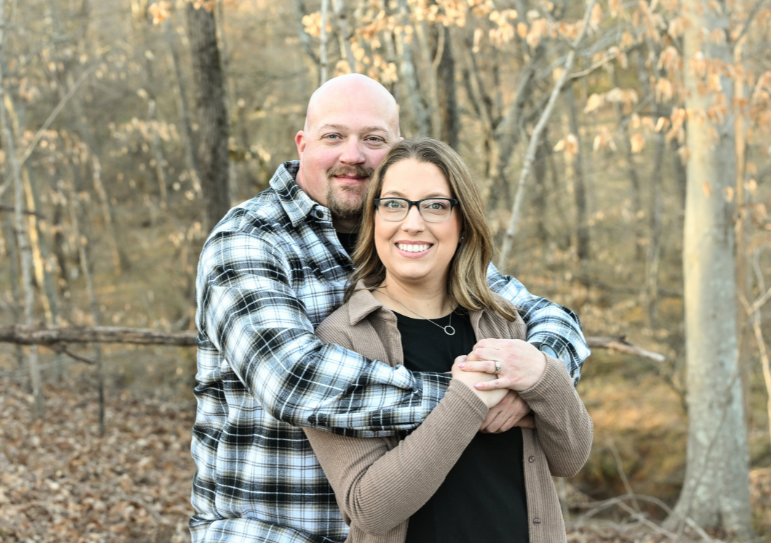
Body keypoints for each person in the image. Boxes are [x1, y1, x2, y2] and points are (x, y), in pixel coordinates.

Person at [190, 74, 590, 542]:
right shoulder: (249, 241)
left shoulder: (417, 240)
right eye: (333, 136)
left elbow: (550, 319)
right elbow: (294, 379)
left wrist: (538, 375)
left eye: (373, 139)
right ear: (302, 144)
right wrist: (474, 395)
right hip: (275, 529)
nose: (353, 154)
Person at [303, 137, 593, 543]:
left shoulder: (503, 320)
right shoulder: (342, 338)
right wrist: (467, 399)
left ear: (462, 224)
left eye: (435, 205)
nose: (413, 222)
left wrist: (544, 374)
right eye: (394, 204)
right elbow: (369, 507)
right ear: (374, 219)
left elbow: (570, 458)